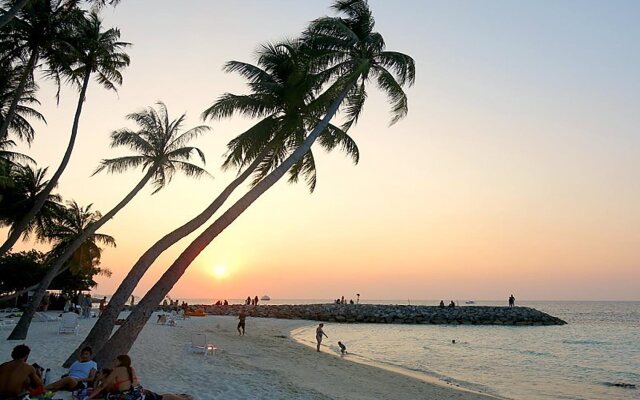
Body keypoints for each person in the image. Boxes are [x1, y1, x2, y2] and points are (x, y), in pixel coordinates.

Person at [88, 355, 190, 400]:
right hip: (139, 393)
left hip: (139, 395)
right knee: (161, 397)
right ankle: (181, 397)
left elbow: (100, 389)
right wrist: (96, 380)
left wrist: (89, 397)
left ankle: (182, 398)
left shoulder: (112, 378)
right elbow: (99, 389)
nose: (97, 374)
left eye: (99, 373)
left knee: (162, 397)